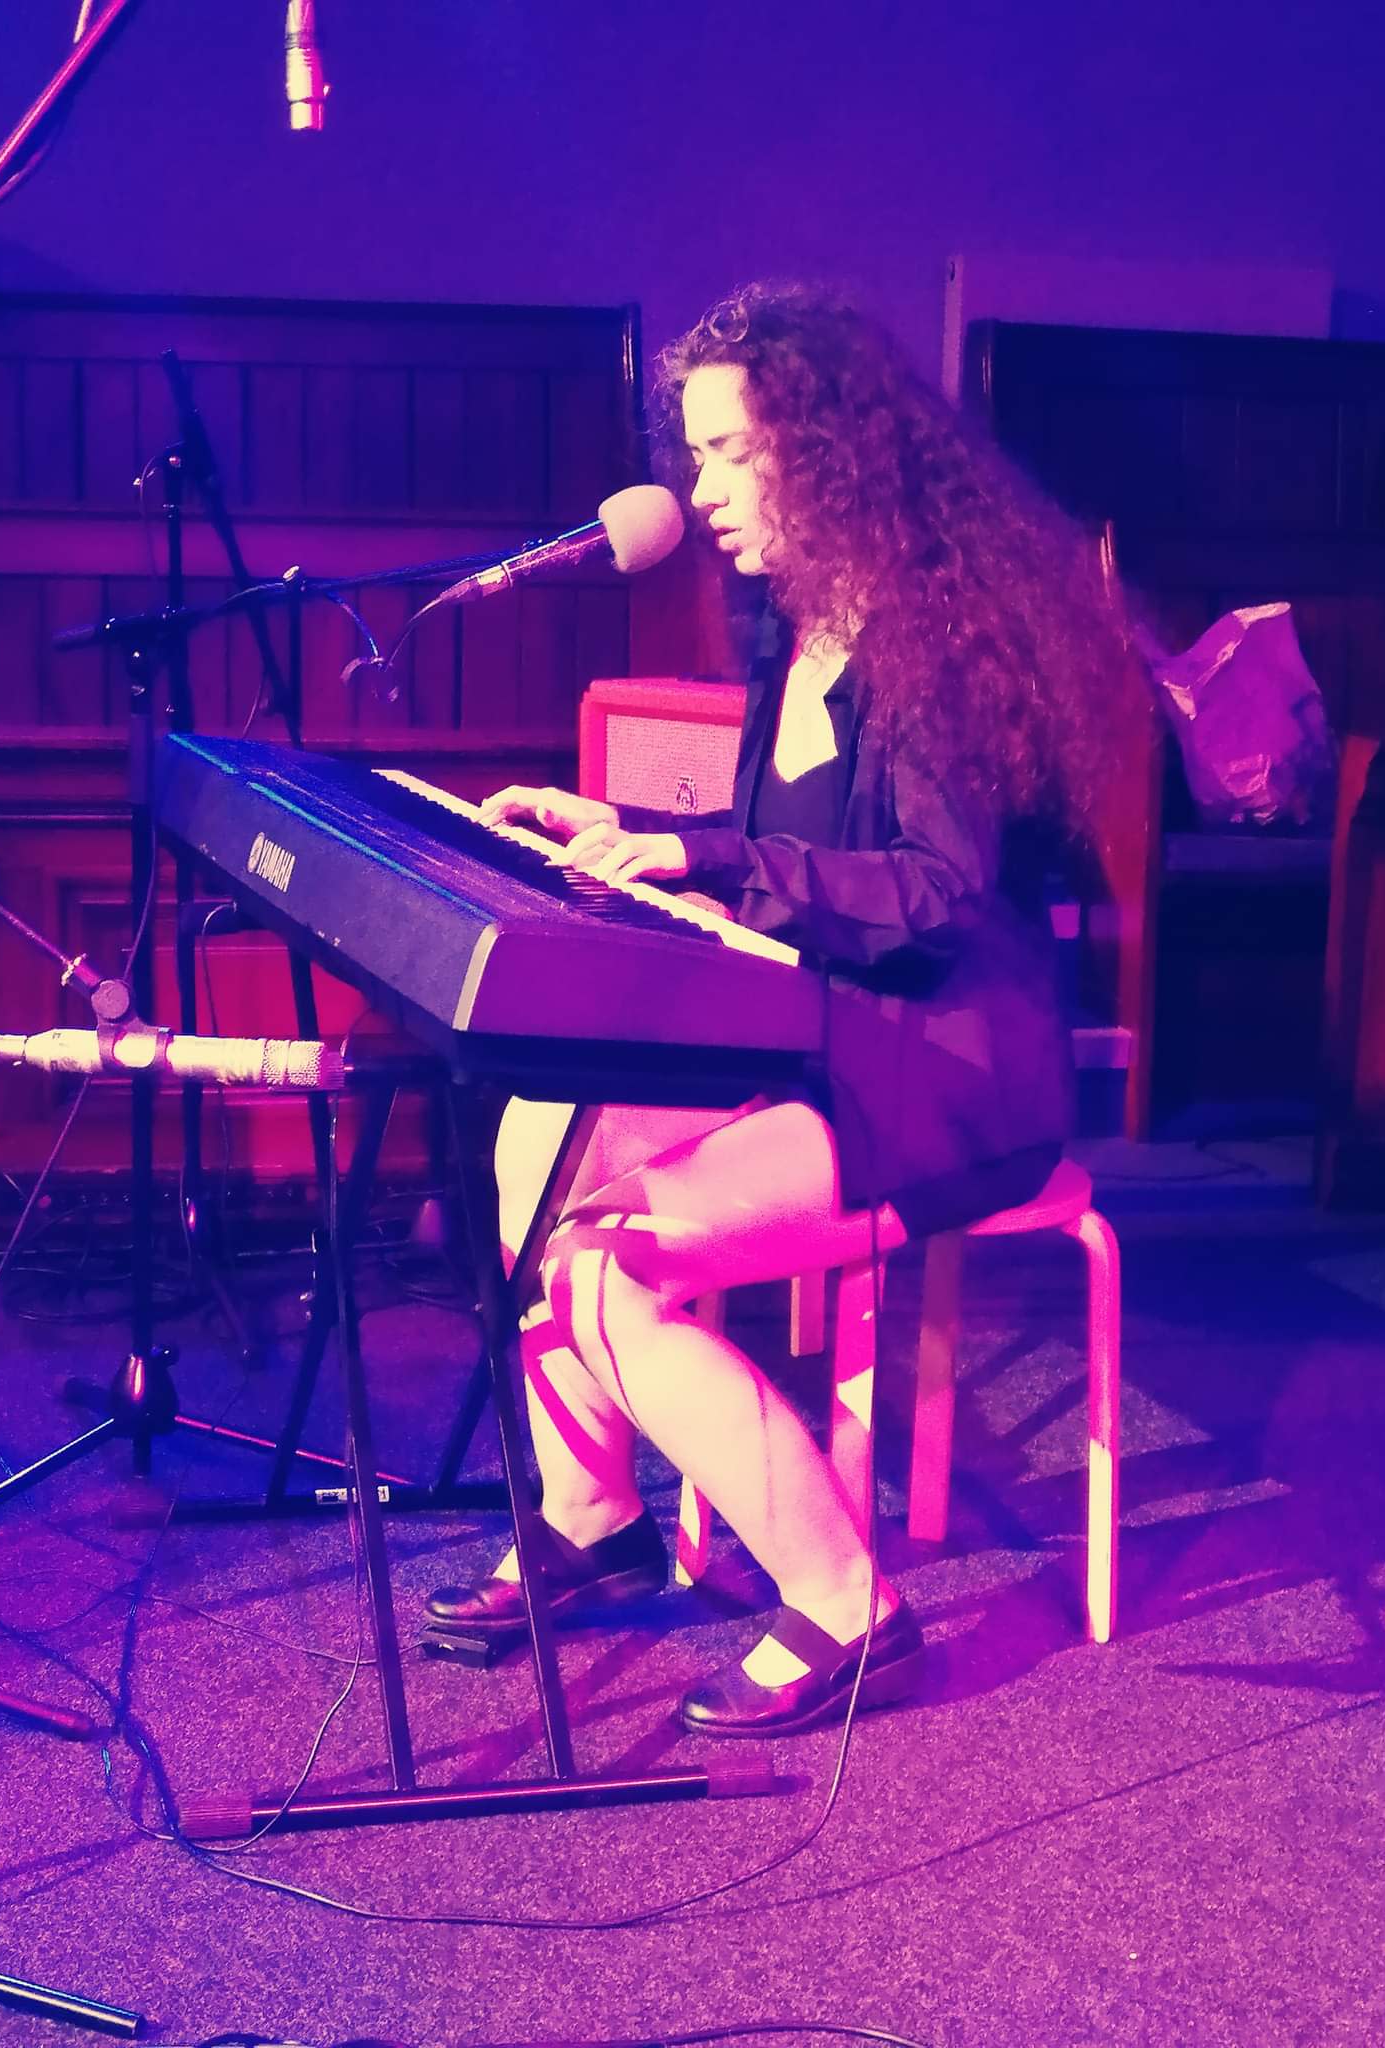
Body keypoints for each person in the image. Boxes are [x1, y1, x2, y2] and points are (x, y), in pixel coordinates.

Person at [423, 283, 1129, 1737]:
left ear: (831, 450)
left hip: (949, 1072)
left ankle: (849, 1605)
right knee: (538, 1143)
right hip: (826, 1037)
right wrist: (628, 835)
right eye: (697, 456)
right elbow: (782, 869)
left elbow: (936, 894)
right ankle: (595, 1512)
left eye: (733, 454)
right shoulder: (795, 631)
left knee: (607, 1266)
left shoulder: (929, 638)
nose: (703, 492)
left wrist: (710, 860)